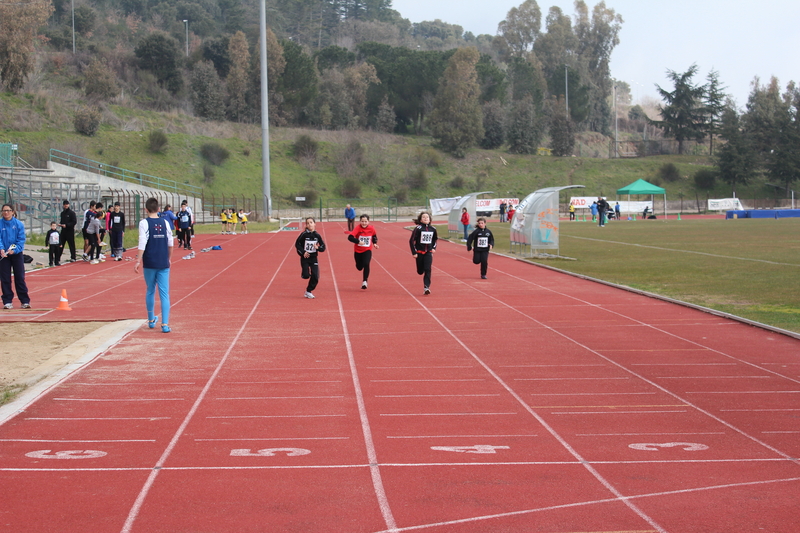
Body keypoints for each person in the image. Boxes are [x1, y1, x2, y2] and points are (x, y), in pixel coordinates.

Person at [134, 197, 173, 333]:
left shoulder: (144, 223)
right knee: (164, 293)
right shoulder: (165, 222)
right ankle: (165, 324)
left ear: (146, 209)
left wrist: (138, 260)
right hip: (163, 261)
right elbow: (170, 243)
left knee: (150, 289)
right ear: (158, 209)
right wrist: (169, 258)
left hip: (150, 261)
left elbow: (142, 242)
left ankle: (151, 320)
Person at [0, 204, 31, 309]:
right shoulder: (0, 224)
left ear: (13, 212)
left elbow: (21, 239)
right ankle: (7, 301)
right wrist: (2, 249)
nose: (6, 213)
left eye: (8, 210)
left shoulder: (18, 224)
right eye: (4, 211)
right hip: (4, 255)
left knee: (20, 277)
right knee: (5, 278)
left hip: (16, 255)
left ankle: (24, 301)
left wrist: (15, 250)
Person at [295, 217, 326, 299]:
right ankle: (304, 274)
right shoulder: (303, 235)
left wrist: (318, 247)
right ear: (306, 225)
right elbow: (297, 244)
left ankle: (308, 291)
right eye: (308, 223)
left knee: (315, 276)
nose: (309, 224)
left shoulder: (317, 235)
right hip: (305, 258)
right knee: (306, 275)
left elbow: (323, 247)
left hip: (313, 258)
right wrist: (303, 252)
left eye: (311, 222)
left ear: (314, 224)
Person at [346, 214, 378, 289]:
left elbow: (374, 237)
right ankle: (359, 265)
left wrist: (375, 243)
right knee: (359, 267)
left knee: (367, 263)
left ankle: (365, 281)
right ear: (360, 221)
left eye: (365, 221)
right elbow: (350, 237)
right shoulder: (357, 228)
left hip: (367, 249)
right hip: (358, 250)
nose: (364, 223)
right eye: (362, 221)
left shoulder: (372, 228)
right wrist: (358, 241)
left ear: (368, 221)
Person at [409, 211, 437, 295]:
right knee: (420, 271)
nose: (425, 218)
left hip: (428, 252)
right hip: (419, 252)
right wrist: (414, 252)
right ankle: (421, 270)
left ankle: (426, 287)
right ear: (420, 220)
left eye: (427, 217)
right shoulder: (418, 229)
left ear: (430, 219)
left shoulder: (433, 229)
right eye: (423, 217)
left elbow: (434, 240)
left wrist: (433, 248)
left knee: (428, 269)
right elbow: (411, 241)